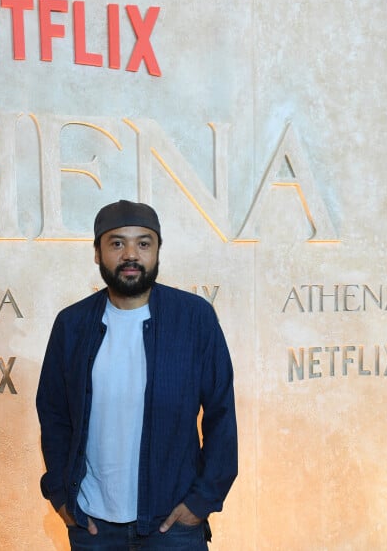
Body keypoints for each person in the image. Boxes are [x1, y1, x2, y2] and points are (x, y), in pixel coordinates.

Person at [36, 200, 237, 550]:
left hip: (173, 526)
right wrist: (61, 498)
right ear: (98, 253)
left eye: (143, 243)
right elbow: (53, 415)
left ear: (158, 251)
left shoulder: (194, 319)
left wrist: (202, 501)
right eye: (117, 243)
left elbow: (221, 413)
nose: (131, 254)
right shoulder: (72, 325)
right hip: (93, 527)